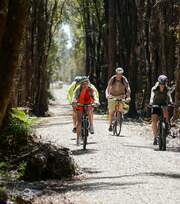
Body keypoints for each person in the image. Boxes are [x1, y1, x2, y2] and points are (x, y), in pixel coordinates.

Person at [72, 77, 99, 145]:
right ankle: (78, 138)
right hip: (80, 105)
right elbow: (74, 97)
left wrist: (96, 101)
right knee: (79, 122)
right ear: (81, 84)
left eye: (86, 83)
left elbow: (94, 96)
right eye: (83, 83)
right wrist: (74, 101)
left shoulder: (90, 89)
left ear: (88, 83)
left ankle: (91, 126)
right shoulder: (78, 89)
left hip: (88, 104)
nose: (85, 85)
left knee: (90, 111)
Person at [149, 75, 173, 145]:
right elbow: (152, 96)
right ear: (159, 82)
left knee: (166, 114)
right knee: (154, 120)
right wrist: (150, 103)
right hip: (155, 104)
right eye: (161, 84)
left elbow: (169, 96)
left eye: (164, 84)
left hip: (163, 104)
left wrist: (171, 102)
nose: (162, 85)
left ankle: (167, 126)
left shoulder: (167, 89)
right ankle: (155, 137)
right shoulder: (154, 88)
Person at [106, 67, 131, 131]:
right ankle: (110, 125)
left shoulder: (124, 79)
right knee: (111, 111)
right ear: (116, 73)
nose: (120, 75)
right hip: (112, 96)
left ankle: (120, 116)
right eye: (118, 74)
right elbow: (108, 87)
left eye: (121, 74)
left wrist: (128, 96)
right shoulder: (113, 79)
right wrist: (107, 95)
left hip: (121, 96)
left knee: (121, 109)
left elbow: (128, 88)